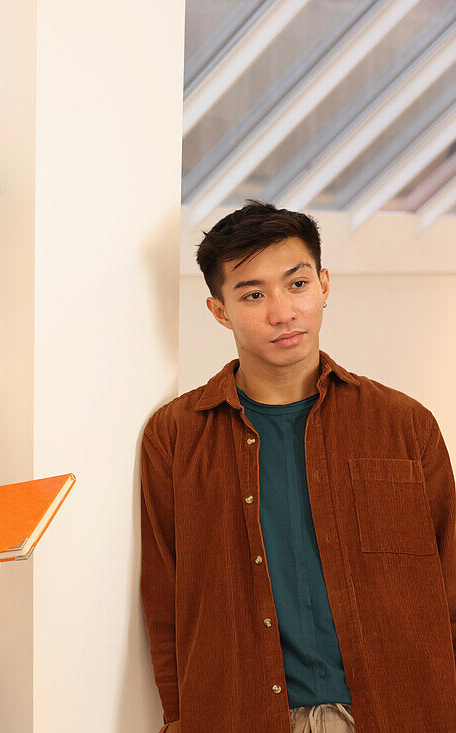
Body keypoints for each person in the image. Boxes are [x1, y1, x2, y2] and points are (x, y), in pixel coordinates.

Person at [140, 201, 456, 732]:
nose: (282, 312)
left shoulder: (404, 424)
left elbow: (450, 576)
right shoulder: (176, 435)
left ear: (324, 285)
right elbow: (164, 597)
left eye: (297, 284)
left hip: (402, 711)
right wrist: (176, 717)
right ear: (219, 310)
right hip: (242, 715)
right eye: (253, 294)